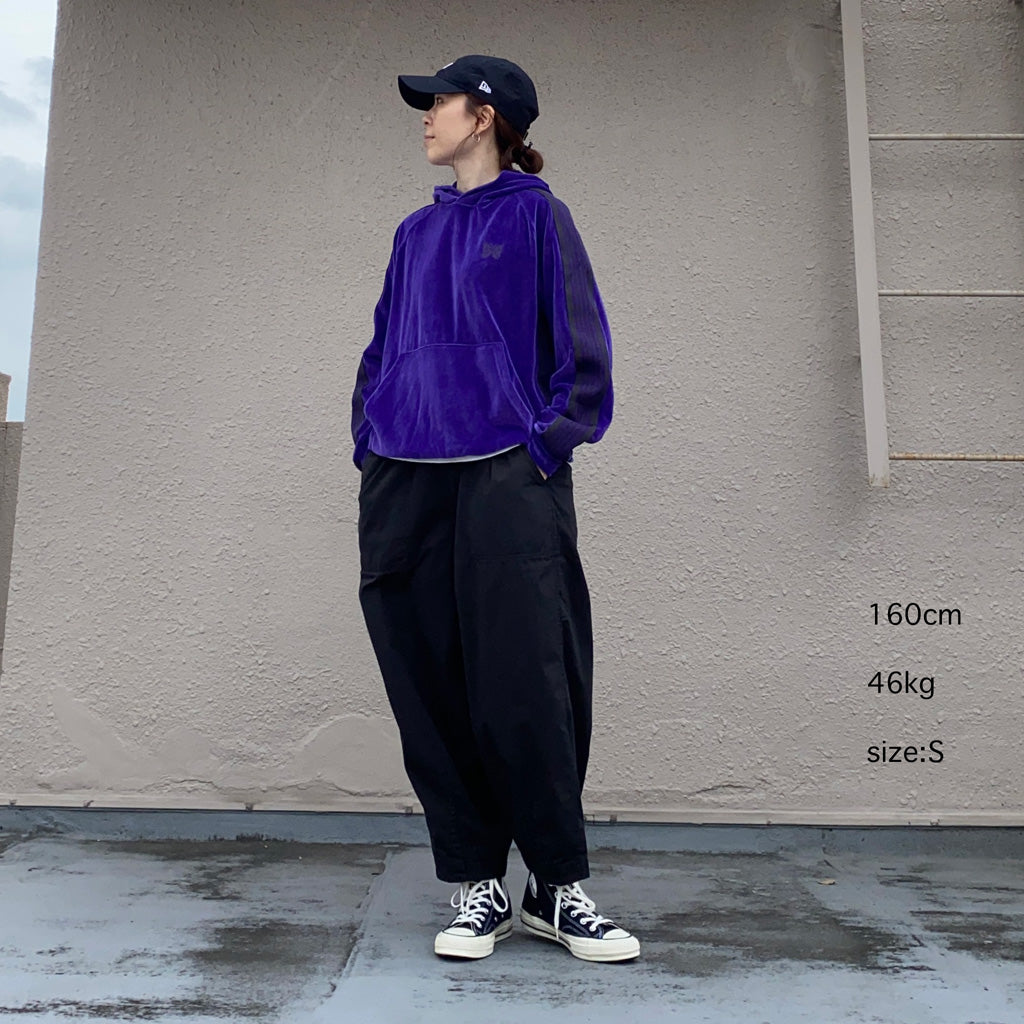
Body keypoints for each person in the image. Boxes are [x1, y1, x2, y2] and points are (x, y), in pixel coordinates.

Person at [351, 54, 639, 964]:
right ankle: (477, 881)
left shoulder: (538, 217)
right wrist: (369, 438)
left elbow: (581, 346)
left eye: (438, 102)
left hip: (507, 476)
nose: (425, 116)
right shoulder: (413, 233)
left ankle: (556, 885)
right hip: (406, 477)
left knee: (530, 678)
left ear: (484, 117)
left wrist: (546, 444)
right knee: (428, 679)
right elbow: (382, 348)